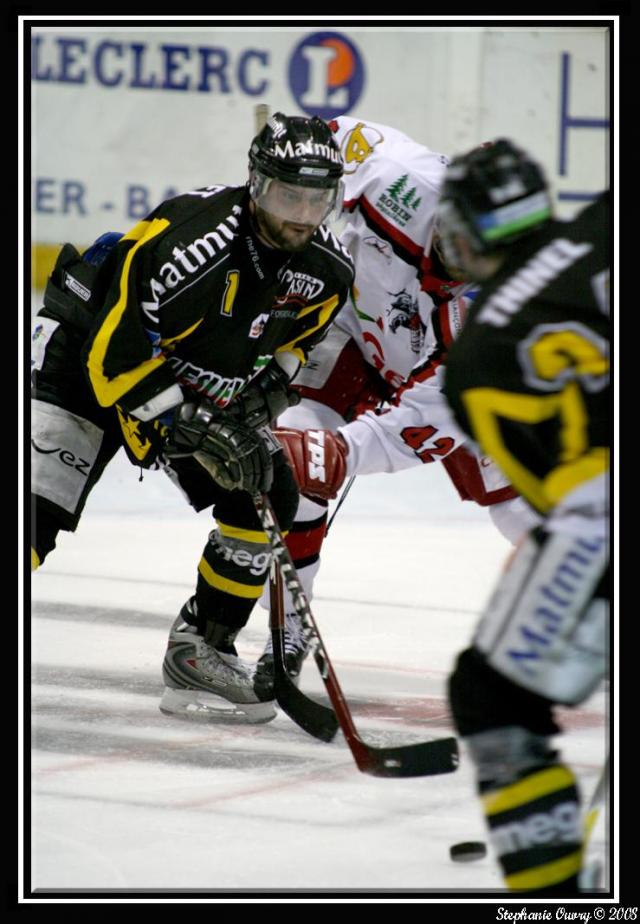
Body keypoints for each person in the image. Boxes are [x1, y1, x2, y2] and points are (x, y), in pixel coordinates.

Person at [30, 112, 355, 724]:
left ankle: (201, 650)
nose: (301, 214)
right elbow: (113, 354)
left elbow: (297, 343)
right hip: (84, 355)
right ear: (256, 184)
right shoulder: (189, 241)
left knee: (264, 487)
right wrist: (196, 425)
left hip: (191, 382)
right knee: (35, 510)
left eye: (318, 199)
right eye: (289, 195)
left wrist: (267, 395)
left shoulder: (328, 271)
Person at [252, 117, 536, 696]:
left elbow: (411, 430)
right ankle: (287, 630)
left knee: (520, 499)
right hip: (348, 332)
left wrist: (334, 454)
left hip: (438, 379)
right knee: (293, 473)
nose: (462, 258)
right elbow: (317, 140)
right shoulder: (395, 175)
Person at [436, 140, 609, 894]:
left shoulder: (477, 354)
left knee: (490, 691)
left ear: (468, 232)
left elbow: (558, 496)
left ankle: (555, 896)